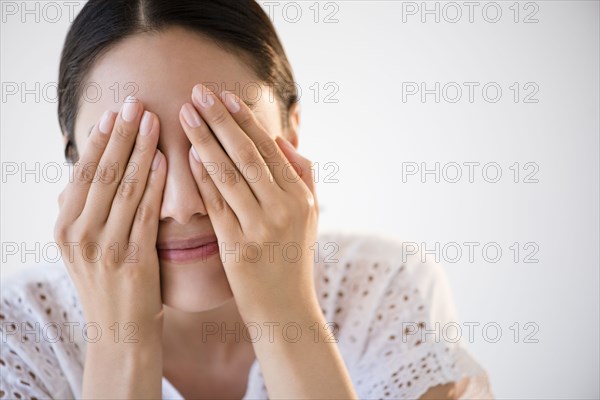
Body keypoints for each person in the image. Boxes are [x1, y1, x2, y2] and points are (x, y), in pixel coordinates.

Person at [0, 1, 493, 398]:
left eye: (219, 145)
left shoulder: (386, 289)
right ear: (76, 161)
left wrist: (287, 316)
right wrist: (120, 346)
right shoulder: (18, 333)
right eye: (134, 158)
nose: (180, 205)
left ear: (290, 136)